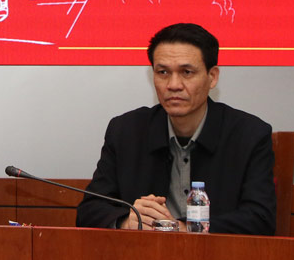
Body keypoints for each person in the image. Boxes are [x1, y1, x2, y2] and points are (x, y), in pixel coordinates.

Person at [75, 23, 276, 234]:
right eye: (163, 72)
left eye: (187, 72)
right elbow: (89, 211)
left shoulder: (249, 134)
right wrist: (127, 221)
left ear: (212, 77)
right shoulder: (126, 131)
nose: (173, 85)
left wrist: (183, 228)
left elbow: (260, 219)